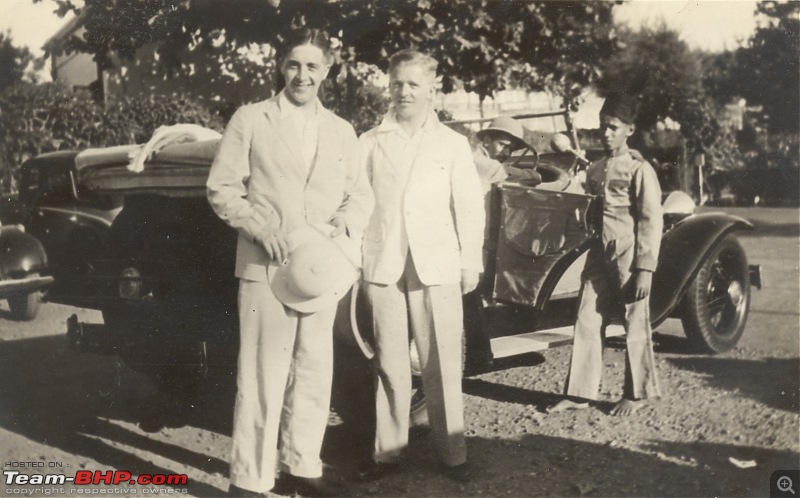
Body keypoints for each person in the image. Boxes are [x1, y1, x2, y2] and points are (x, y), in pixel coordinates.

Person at [206, 27, 373, 497]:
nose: (303, 75)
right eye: (294, 65)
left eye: (313, 67)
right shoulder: (252, 118)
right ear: (282, 67)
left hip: (320, 270)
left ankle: (303, 466)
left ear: (327, 72)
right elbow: (222, 187)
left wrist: (340, 225)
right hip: (265, 267)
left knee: (315, 369)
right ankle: (250, 479)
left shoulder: (341, 130)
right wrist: (261, 228)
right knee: (262, 374)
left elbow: (359, 195)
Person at [357, 49, 485, 483]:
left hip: (438, 263)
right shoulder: (371, 141)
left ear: (433, 87)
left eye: (413, 84)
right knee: (390, 364)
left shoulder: (452, 143)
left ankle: (454, 455)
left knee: (441, 361)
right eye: (397, 83)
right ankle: (387, 455)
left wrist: (471, 261)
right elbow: (356, 203)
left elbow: (469, 206)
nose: (404, 92)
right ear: (388, 86)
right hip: (382, 264)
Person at [548, 93, 663, 417]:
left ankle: (638, 394)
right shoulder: (596, 167)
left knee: (635, 322)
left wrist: (645, 268)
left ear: (630, 129)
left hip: (628, 250)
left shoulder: (640, 169)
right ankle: (579, 394)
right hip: (599, 251)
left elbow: (651, 219)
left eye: (613, 127)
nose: (606, 133)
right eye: (602, 127)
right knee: (586, 317)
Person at [472, 116, 542, 188]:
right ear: (487, 140)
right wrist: (533, 176)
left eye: (511, 150)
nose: (507, 153)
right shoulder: (473, 157)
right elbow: (500, 170)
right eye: (503, 145)